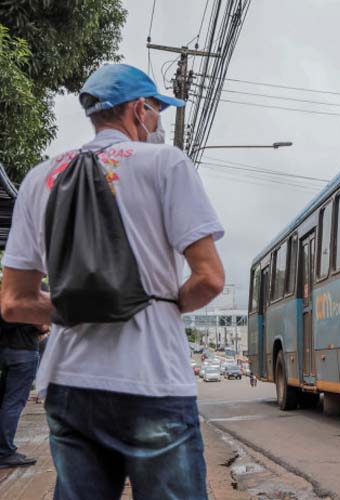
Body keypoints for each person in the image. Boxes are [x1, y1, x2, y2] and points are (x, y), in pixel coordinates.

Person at [0, 63, 225, 499]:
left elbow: (13, 302)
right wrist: (150, 303)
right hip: (152, 378)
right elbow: (210, 279)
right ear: (139, 110)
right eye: (157, 110)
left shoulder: (38, 179)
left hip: (69, 382)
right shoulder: (166, 163)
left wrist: (79, 304)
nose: (156, 120)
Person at [0, 308, 47, 469]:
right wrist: (44, 327)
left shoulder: (5, 293)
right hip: (24, 351)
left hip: (5, 350)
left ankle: (4, 449)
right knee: (13, 403)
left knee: (5, 402)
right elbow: (40, 324)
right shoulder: (28, 292)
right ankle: (5, 452)